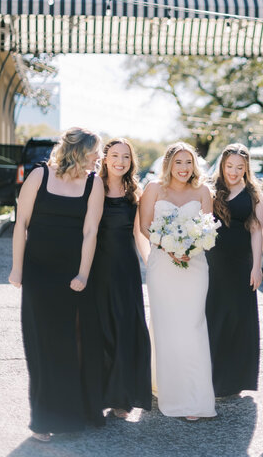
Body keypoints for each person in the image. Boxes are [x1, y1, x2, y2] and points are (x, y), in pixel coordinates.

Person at [8, 127, 105, 442]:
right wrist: (17, 269)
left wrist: (83, 274)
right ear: (80, 151)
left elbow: (91, 232)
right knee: (39, 345)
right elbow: (21, 224)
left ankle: (68, 414)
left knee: (66, 345)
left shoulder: (94, 183)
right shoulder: (39, 176)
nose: (99, 158)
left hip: (71, 278)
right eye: (95, 153)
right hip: (38, 274)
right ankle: (41, 419)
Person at [139, 142, 216, 421]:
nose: (184, 168)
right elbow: (144, 226)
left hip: (194, 266)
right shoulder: (153, 189)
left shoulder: (203, 191)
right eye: (178, 162)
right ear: (169, 164)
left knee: (193, 326)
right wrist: (168, 245)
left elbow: (208, 227)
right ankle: (168, 391)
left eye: (188, 162)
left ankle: (196, 397)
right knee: (166, 327)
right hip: (163, 265)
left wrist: (191, 247)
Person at [93, 139, 151, 418]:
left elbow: (139, 232)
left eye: (125, 157)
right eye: (114, 155)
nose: (120, 161)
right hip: (98, 267)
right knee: (102, 328)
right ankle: (99, 393)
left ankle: (121, 397)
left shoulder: (134, 191)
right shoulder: (92, 186)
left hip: (126, 269)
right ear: (104, 158)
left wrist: (150, 262)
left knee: (126, 328)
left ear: (131, 161)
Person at [206, 143, 263, 397]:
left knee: (239, 319)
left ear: (246, 168)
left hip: (241, 264)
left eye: (240, 167)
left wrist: (257, 266)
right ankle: (211, 378)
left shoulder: (253, 194)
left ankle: (235, 381)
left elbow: (257, 230)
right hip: (212, 263)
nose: (234, 171)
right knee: (213, 317)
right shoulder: (209, 190)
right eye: (230, 166)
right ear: (222, 165)